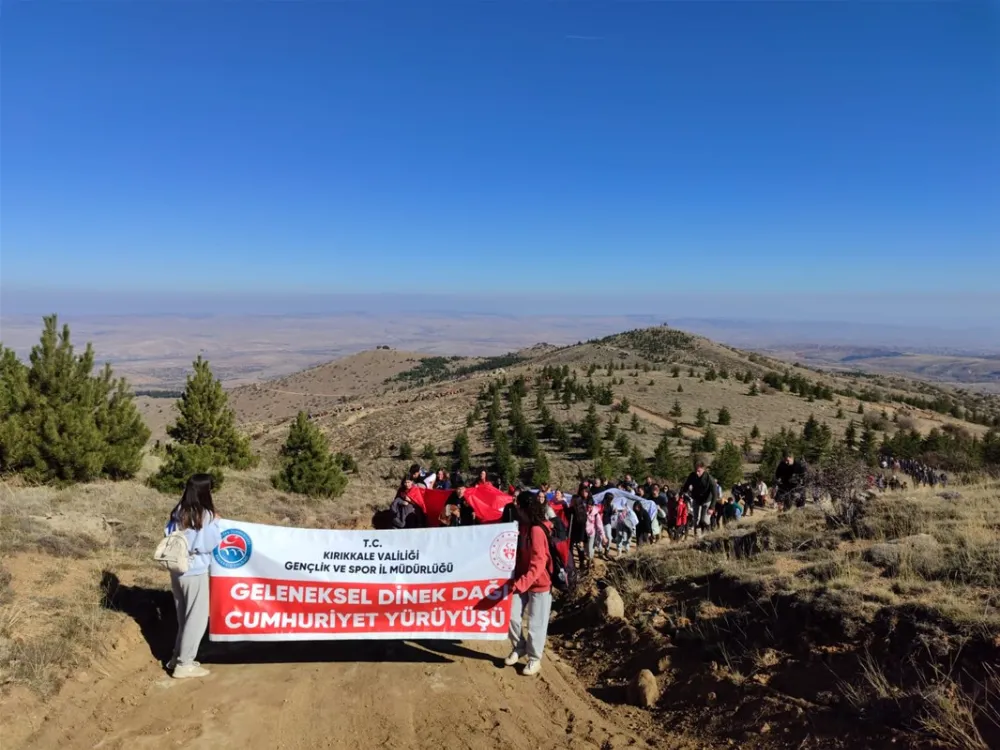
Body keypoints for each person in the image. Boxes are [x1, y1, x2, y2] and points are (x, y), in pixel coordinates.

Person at [165, 474, 223, 679]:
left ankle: (176, 657)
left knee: (184, 617)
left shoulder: (178, 511)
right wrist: (216, 524)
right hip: (195, 571)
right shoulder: (205, 515)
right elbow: (209, 543)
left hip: (177, 570)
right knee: (196, 620)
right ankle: (185, 664)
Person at [505, 491, 553, 677]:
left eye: (519, 505)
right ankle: (519, 646)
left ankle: (534, 658)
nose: (516, 508)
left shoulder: (536, 530)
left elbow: (539, 563)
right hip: (522, 581)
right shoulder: (522, 528)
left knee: (536, 623)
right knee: (511, 615)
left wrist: (521, 583)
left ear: (526, 508)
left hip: (539, 584)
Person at [681, 461, 719, 537]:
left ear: (703, 470)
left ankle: (708, 534)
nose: (697, 473)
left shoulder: (709, 479)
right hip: (696, 499)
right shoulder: (692, 476)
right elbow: (686, 486)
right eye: (696, 470)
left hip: (707, 500)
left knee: (704, 519)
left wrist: (712, 507)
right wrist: (681, 494)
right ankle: (697, 536)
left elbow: (715, 494)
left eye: (699, 471)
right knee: (696, 519)